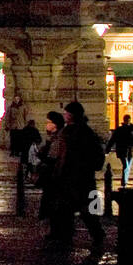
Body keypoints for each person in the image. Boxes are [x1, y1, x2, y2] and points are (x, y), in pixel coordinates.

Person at [47, 101, 106, 248]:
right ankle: (92, 235)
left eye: (67, 113)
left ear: (72, 115)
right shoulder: (85, 131)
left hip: (74, 178)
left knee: (75, 210)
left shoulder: (74, 132)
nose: (65, 115)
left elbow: (64, 156)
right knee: (83, 211)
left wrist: (59, 172)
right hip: (82, 178)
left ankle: (75, 238)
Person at [35, 111, 64, 222]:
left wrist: (42, 156)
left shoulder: (59, 138)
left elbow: (54, 157)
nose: (46, 125)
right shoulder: (53, 137)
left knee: (52, 200)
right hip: (52, 174)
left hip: (55, 175)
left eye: (48, 122)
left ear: (55, 124)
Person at [108, 115, 133, 189]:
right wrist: (108, 148)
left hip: (128, 150)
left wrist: (108, 147)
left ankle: (124, 181)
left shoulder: (132, 128)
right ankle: (124, 181)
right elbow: (113, 139)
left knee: (127, 166)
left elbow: (113, 139)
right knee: (126, 165)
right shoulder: (123, 129)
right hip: (124, 150)